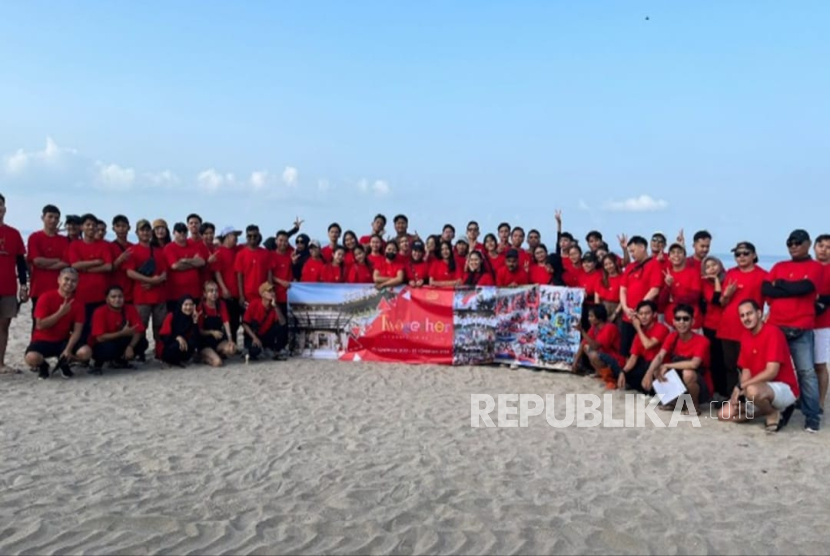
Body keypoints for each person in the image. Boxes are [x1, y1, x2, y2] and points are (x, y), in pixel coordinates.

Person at [762, 229, 824, 432]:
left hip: (801, 328)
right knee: (776, 371)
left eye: (798, 242)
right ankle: (779, 411)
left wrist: (781, 285)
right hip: (776, 327)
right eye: (790, 243)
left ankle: (812, 416)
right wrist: (786, 288)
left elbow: (805, 288)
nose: (793, 246)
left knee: (806, 372)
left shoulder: (815, 267)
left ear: (808, 244)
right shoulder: (779, 265)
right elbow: (766, 289)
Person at [718, 300, 800, 433]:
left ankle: (772, 413)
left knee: (752, 391)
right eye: (742, 315)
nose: (746, 318)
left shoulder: (773, 332)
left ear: (759, 313)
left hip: (783, 387)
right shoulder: (745, 336)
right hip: (757, 387)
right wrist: (740, 395)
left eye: (749, 314)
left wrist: (742, 386)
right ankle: (766, 410)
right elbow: (746, 369)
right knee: (725, 415)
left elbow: (772, 372)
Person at [715, 241, 768, 398]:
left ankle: (750, 397)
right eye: (738, 254)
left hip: (749, 329)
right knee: (729, 365)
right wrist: (727, 294)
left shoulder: (763, 275)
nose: (741, 257)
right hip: (727, 328)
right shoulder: (731, 273)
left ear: (754, 255)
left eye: (745, 253)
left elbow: (769, 303)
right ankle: (732, 397)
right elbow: (722, 303)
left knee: (749, 366)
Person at [643, 304, 711, 413]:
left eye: (686, 319)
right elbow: (660, 356)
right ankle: (674, 402)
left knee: (688, 373)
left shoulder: (702, 341)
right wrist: (649, 373)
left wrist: (667, 365)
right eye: (678, 319)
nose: (681, 322)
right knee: (657, 368)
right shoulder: (672, 336)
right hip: (681, 379)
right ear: (673, 322)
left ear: (692, 322)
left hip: (700, 385)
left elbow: (694, 364)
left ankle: (693, 406)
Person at [25, 268, 92, 379]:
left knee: (86, 353)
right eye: (66, 279)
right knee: (31, 358)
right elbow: (40, 325)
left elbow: (77, 331)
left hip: (63, 340)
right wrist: (60, 313)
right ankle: (43, 365)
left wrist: (68, 349)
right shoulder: (45, 297)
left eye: (73, 281)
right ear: (59, 280)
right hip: (42, 340)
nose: (69, 283)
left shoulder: (78, 303)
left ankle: (64, 362)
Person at [124, 219, 169, 360]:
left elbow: (165, 273)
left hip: (159, 296)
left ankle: (159, 350)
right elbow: (130, 272)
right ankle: (140, 352)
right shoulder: (132, 251)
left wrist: (155, 282)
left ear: (151, 232)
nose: (145, 232)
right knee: (140, 326)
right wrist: (151, 281)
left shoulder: (159, 251)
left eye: (147, 230)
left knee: (160, 326)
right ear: (137, 233)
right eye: (142, 230)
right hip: (141, 296)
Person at [67, 213, 114, 344]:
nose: (91, 228)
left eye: (93, 225)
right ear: (81, 227)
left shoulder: (104, 245)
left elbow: (108, 266)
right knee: (82, 325)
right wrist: (96, 262)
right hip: (81, 294)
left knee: (99, 326)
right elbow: (75, 265)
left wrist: (86, 268)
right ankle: (82, 353)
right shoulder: (75, 245)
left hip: (101, 293)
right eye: (88, 225)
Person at [88, 286, 147, 374]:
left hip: (121, 339)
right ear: (107, 299)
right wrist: (122, 333)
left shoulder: (130, 308)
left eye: (120, 296)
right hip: (102, 343)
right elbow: (99, 338)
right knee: (108, 349)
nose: (117, 299)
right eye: (113, 297)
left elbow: (139, 330)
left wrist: (130, 346)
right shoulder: (100, 312)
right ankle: (98, 364)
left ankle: (119, 361)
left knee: (142, 342)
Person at [619, 236, 662, 357]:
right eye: (630, 252)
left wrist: (640, 309)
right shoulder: (630, 267)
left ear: (642, 247)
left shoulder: (654, 264)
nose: (632, 254)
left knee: (643, 350)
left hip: (645, 317)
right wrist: (625, 308)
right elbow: (623, 289)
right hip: (628, 315)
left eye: (633, 251)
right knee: (626, 349)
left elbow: (655, 289)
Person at [27, 204, 68, 326]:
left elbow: (66, 262)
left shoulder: (64, 240)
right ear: (43, 218)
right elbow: (36, 261)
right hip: (38, 288)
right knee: (38, 324)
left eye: (56, 218)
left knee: (59, 323)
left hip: (59, 288)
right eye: (50, 217)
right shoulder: (34, 237)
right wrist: (56, 260)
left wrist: (45, 265)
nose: (53, 220)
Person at [617, 301, 670, 392]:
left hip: (658, 366)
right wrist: (623, 372)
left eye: (647, 313)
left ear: (654, 314)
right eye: (640, 314)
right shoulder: (640, 333)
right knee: (625, 374)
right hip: (645, 364)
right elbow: (633, 357)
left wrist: (638, 328)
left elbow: (648, 345)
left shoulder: (661, 328)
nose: (643, 317)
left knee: (652, 377)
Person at [0, 194, 26, 372]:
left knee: (3, 327)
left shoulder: (13, 233)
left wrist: (24, 285)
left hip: (8, 287)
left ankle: (0, 363)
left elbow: (20, 262)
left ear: (5, 208)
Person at [573, 304, 625, 389]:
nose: (589, 318)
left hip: (617, 360)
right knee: (586, 347)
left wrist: (582, 331)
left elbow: (595, 346)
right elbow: (583, 343)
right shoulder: (595, 327)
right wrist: (575, 362)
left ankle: (611, 380)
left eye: (591, 316)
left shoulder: (609, 328)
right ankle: (600, 374)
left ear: (599, 318)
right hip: (604, 355)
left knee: (594, 355)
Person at [163, 222, 206, 309]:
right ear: (174, 233)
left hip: (194, 292)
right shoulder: (169, 247)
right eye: (179, 231)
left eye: (184, 231)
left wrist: (185, 260)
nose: (182, 233)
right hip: (175, 294)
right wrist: (194, 262)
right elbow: (175, 266)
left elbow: (202, 262)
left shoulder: (194, 245)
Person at [212, 226, 243, 342]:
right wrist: (223, 289)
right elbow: (217, 272)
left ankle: (233, 344)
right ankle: (226, 344)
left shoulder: (238, 250)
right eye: (234, 235)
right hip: (225, 293)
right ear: (227, 236)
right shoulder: (219, 252)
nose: (236, 238)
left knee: (235, 321)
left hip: (237, 292)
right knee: (226, 320)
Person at [661, 243, 702, 329]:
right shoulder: (666, 274)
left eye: (679, 252)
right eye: (673, 252)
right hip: (671, 321)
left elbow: (695, 296)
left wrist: (675, 300)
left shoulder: (693, 272)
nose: (676, 255)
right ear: (668, 257)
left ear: (684, 256)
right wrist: (667, 286)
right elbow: (661, 303)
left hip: (691, 321)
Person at [242, 282, 287, 361]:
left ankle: (276, 349)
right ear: (262, 294)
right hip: (253, 334)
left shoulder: (274, 307)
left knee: (280, 327)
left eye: (273, 291)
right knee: (254, 352)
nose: (272, 293)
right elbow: (245, 324)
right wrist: (254, 337)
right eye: (269, 291)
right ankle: (248, 349)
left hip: (266, 334)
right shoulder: (254, 304)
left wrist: (275, 306)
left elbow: (283, 322)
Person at [197, 281, 237, 367]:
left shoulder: (221, 304)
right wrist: (211, 332)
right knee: (217, 363)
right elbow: (199, 331)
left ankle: (218, 353)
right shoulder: (201, 307)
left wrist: (230, 339)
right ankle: (204, 357)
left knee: (232, 349)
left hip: (219, 340)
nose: (214, 293)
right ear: (205, 294)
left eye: (216, 291)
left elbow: (226, 322)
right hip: (205, 342)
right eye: (211, 291)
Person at [235, 225, 271, 307]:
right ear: (246, 237)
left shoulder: (266, 253)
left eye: (255, 236)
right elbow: (239, 276)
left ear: (259, 236)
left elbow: (269, 274)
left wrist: (269, 291)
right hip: (247, 295)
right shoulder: (241, 254)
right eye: (249, 236)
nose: (252, 238)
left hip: (263, 294)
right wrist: (241, 295)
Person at [158, 295, 199, 367]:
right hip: (169, 346)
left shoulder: (191, 317)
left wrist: (195, 322)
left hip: (184, 347)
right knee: (177, 345)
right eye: (186, 305)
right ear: (181, 305)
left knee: (192, 342)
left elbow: (196, 337)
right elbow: (164, 336)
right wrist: (177, 337)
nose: (188, 307)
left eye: (191, 305)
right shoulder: (172, 316)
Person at [815, 234, 830, 410]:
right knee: (803, 366)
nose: (824, 250)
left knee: (819, 365)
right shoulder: (808, 267)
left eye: (828, 247)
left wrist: (820, 299)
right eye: (821, 246)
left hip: (823, 324)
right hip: (802, 321)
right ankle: (803, 398)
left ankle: (819, 402)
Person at [109, 214, 134, 304]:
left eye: (123, 226)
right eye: (118, 226)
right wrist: (120, 260)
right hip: (115, 289)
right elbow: (108, 268)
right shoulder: (109, 247)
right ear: (113, 229)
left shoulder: (133, 247)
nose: (121, 229)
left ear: (129, 228)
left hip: (131, 291)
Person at [596, 254, 623, 324]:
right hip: (603, 309)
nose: (608, 266)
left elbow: (624, 298)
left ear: (615, 263)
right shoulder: (601, 279)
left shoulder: (622, 277)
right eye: (606, 264)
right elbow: (597, 297)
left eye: (610, 263)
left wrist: (615, 313)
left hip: (618, 309)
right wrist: (598, 312)